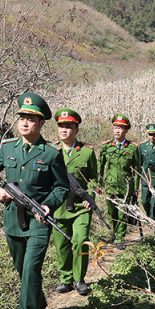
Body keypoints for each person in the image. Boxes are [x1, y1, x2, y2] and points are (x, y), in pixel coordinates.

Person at [0, 92, 69, 309]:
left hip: (38, 223)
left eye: (31, 119)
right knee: (22, 270)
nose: (25, 122)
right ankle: (37, 297)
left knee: (31, 270)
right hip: (12, 220)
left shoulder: (52, 153)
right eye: (22, 117)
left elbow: (62, 188)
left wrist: (47, 205)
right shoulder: (8, 147)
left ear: (41, 124)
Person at [52, 108, 98, 296]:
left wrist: (90, 198)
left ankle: (79, 279)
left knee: (80, 241)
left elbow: (94, 179)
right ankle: (66, 279)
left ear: (76, 130)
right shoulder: (50, 151)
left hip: (80, 207)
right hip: (58, 207)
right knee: (61, 244)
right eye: (61, 126)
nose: (64, 130)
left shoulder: (87, 152)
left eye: (69, 127)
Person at [98, 114, 140, 250]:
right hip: (110, 186)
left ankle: (120, 238)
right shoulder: (106, 147)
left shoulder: (133, 149)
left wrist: (136, 188)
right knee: (112, 213)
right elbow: (100, 166)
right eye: (115, 127)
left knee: (122, 213)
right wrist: (99, 184)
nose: (117, 131)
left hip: (126, 186)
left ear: (126, 131)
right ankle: (115, 233)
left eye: (120, 128)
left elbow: (137, 170)